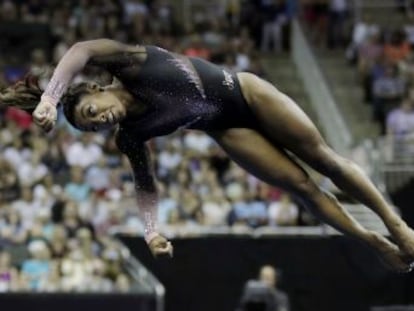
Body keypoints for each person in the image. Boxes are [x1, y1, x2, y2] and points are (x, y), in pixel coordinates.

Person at [2, 39, 414, 272]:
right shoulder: (130, 135)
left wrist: (51, 96)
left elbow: (81, 50)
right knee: (302, 188)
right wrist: (150, 231)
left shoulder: (130, 64)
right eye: (96, 127)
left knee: (323, 159)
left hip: (245, 92)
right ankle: (373, 242)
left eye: (94, 113)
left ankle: (395, 223)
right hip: (225, 128)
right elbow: (144, 185)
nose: (103, 120)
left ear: (95, 90)